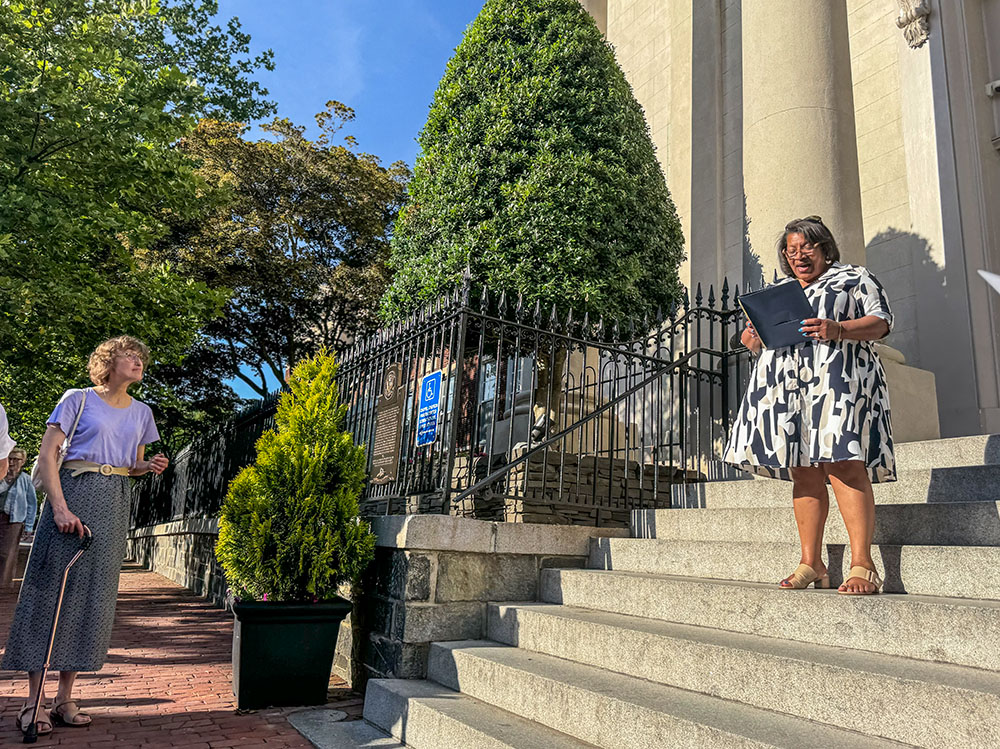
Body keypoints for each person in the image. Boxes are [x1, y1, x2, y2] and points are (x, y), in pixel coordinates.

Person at [1, 336, 168, 737]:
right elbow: (47, 455)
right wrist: (59, 508)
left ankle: (65, 697)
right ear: (109, 362)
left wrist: (149, 465)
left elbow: (130, 465)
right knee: (50, 593)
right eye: (130, 355)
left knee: (92, 596)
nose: (138, 362)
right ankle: (32, 700)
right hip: (73, 492)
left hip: (114, 502)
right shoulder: (77, 398)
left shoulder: (143, 412)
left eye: (141, 357)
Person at [724, 216, 894, 597]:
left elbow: (882, 321)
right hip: (786, 388)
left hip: (837, 381)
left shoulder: (853, 278)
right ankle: (811, 562)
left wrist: (840, 329)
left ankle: (863, 564)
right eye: (791, 249)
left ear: (824, 248)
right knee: (802, 470)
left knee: (843, 464)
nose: (798, 255)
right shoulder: (779, 289)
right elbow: (754, 337)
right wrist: (751, 337)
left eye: (806, 248)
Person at [0, 449, 37, 589]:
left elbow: (32, 504)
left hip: (14, 521)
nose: (12, 462)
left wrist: (28, 527)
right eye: (10, 458)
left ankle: (4, 585)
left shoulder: (26, 480)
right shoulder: (1, 475)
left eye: (17, 459)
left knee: (7, 553)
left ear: (23, 462)